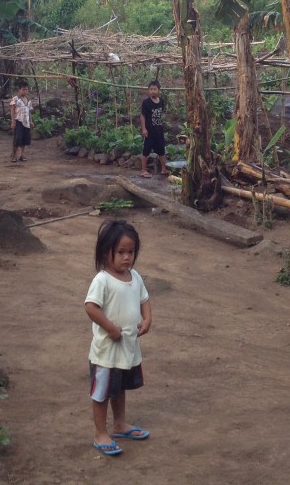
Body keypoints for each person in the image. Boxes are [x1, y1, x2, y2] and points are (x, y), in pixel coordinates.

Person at [84, 220, 152, 457]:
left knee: (120, 387)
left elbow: (144, 300)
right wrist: (110, 328)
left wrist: (147, 319)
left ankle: (120, 424)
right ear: (106, 252)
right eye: (121, 252)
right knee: (102, 391)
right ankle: (100, 432)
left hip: (127, 348)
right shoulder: (102, 280)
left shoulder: (134, 277)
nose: (127, 257)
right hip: (106, 351)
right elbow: (91, 308)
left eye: (131, 252)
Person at [139, 80, 170, 178]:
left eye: (155, 89)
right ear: (148, 91)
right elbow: (142, 116)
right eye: (151, 89)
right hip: (149, 131)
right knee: (146, 150)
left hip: (158, 130)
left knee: (161, 150)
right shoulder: (146, 102)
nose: (153, 91)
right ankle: (143, 170)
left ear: (158, 90)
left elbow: (161, 115)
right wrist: (144, 129)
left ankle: (164, 169)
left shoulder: (161, 101)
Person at [9, 81, 33, 162]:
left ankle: (22, 155)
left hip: (26, 123)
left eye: (26, 89)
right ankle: (14, 155)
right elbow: (12, 110)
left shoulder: (28, 100)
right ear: (19, 90)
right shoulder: (15, 99)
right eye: (23, 89)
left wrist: (31, 121)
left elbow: (29, 111)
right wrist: (13, 121)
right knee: (17, 139)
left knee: (24, 139)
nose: (25, 91)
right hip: (18, 121)